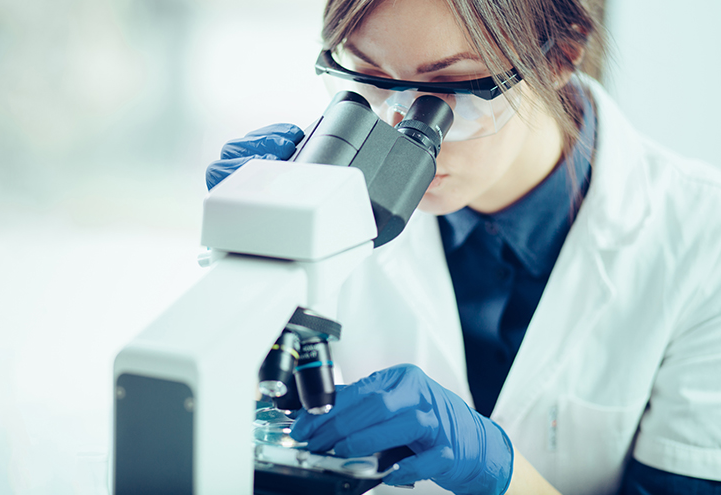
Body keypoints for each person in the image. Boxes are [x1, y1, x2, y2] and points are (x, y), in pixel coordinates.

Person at [206, 0, 721, 493]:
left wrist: (502, 475)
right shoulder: (323, 187)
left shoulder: (701, 238)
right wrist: (250, 257)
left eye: (450, 87)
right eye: (368, 79)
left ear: (563, 54)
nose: (397, 125)